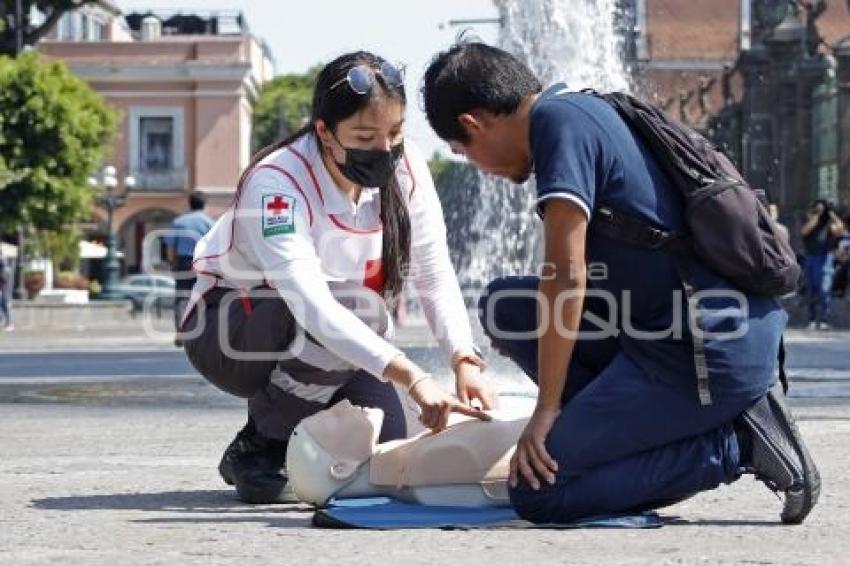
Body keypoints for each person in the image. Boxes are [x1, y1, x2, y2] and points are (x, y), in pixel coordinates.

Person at [421, 42, 819, 524]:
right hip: (679, 331)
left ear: (473, 122)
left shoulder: (556, 127)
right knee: (507, 306)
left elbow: (566, 275)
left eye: (466, 153)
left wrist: (546, 410)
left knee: (538, 492)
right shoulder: (587, 108)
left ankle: (735, 443)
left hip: (702, 350)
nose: (482, 169)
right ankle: (607, 435)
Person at [180, 51, 496, 504]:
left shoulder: (406, 168)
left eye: (395, 132)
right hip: (229, 332)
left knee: (395, 442)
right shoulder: (277, 183)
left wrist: (464, 360)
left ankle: (291, 429)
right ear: (325, 132)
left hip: (327, 335)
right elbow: (312, 303)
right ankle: (262, 444)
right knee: (359, 309)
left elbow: (432, 269)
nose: (384, 150)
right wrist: (410, 374)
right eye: (365, 136)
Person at [164, 191, 214, 345]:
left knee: (181, 297)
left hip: (183, 262)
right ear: (204, 204)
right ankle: (203, 331)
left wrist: (172, 263)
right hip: (202, 263)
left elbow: (171, 246)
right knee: (203, 296)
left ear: (189, 203)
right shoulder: (209, 223)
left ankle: (181, 331)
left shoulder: (179, 222)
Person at [800, 200, 846, 330]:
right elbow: (804, 231)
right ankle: (812, 319)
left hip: (825, 258)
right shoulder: (809, 218)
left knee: (824, 289)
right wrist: (817, 215)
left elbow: (840, 230)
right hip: (811, 257)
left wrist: (831, 214)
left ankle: (824, 319)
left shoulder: (829, 223)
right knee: (811, 289)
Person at [0, 255, 13, 331]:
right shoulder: (6, 270)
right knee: (3, 307)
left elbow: (3, 279)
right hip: (4, 292)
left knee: (7, 309)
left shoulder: (5, 270)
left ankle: (10, 324)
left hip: (6, 292)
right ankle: (6, 322)